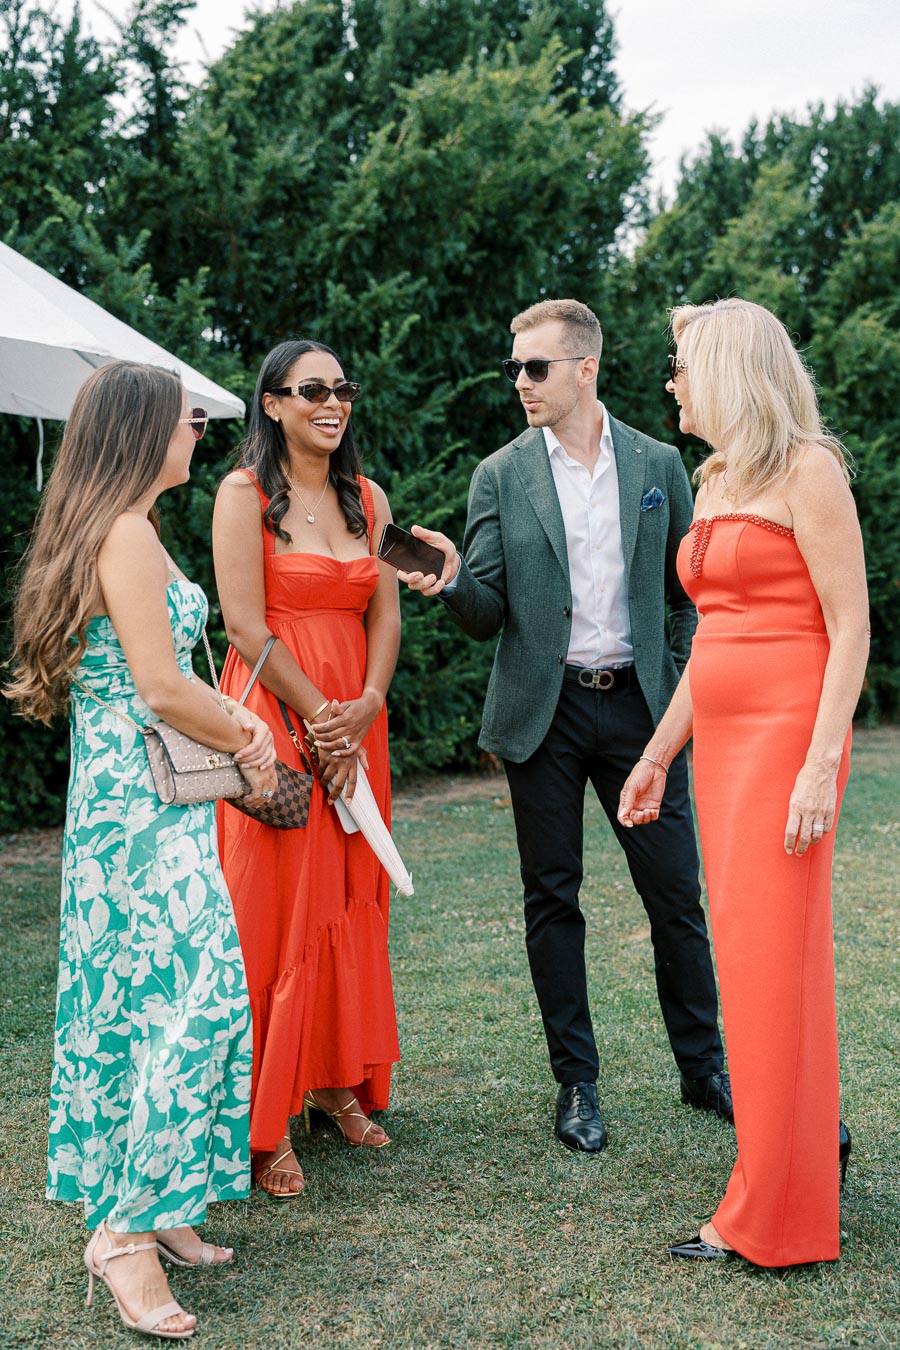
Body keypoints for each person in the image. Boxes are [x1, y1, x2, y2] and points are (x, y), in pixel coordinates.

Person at [401, 298, 730, 1152]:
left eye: (536, 367)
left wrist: (678, 682)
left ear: (586, 369)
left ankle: (704, 1069)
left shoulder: (659, 462)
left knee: (675, 893)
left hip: (641, 711)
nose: (521, 381)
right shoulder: (499, 474)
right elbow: (487, 613)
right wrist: (450, 581)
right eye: (515, 367)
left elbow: (688, 593)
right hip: (542, 716)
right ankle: (576, 1084)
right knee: (553, 897)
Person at [4, 361, 277, 1339]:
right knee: (199, 1003)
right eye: (186, 417)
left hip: (146, 803)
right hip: (138, 814)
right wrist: (249, 735)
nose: (198, 429)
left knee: (146, 1006)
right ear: (139, 430)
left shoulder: (135, 527)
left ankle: (158, 1205)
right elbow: (161, 686)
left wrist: (233, 726)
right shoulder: (122, 533)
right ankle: (121, 1235)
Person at [618, 298, 868, 1266]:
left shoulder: (810, 469)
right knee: (752, 968)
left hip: (787, 746)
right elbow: (715, 639)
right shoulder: (718, 477)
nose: (671, 382)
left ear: (726, 370)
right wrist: (657, 753)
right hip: (721, 748)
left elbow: (850, 626)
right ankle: (792, 1167)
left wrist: (819, 764)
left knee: (774, 970)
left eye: (682, 365)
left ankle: (774, 1215)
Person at [213, 338, 401, 1198]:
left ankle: (333, 1080)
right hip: (276, 721)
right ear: (273, 403)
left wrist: (367, 703)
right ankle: (265, 1115)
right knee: (279, 906)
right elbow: (245, 626)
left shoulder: (370, 497)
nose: (333, 403)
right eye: (312, 390)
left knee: (350, 897)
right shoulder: (242, 495)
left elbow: (385, 614)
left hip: (358, 724)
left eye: (342, 389)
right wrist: (321, 719)